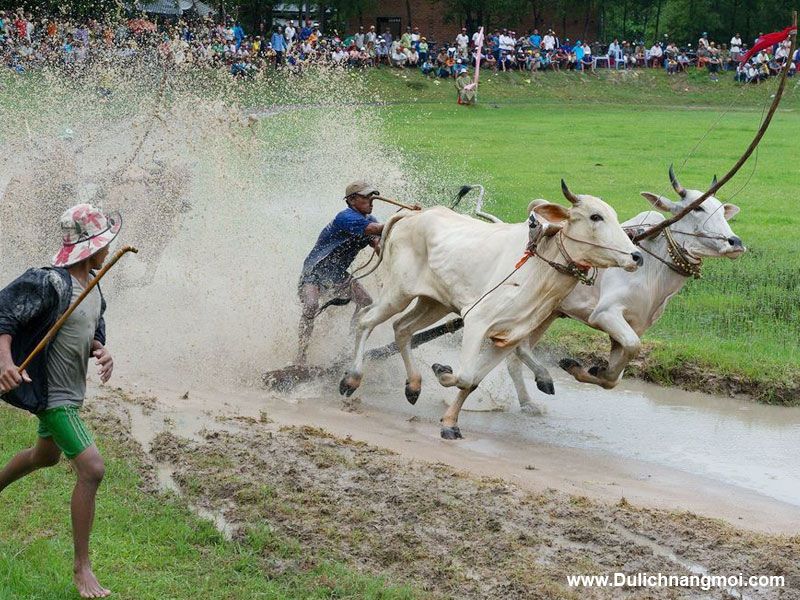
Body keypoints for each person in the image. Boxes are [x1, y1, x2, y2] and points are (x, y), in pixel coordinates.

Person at [0, 204, 120, 599]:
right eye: (103, 242)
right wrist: (6, 363)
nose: (107, 249)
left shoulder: (93, 286)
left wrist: (101, 350)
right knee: (92, 468)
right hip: (56, 396)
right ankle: (81, 568)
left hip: (72, 392)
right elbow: (4, 316)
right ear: (89, 247)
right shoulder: (49, 283)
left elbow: (89, 330)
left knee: (44, 457)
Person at [295, 182, 385, 365]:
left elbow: (378, 244)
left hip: (338, 274)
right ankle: (300, 356)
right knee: (311, 305)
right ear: (352, 200)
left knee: (366, 302)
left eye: (373, 195)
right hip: (315, 271)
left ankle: (349, 348)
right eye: (367, 196)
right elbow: (374, 230)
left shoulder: (371, 219)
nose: (371, 200)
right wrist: (403, 220)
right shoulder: (345, 217)